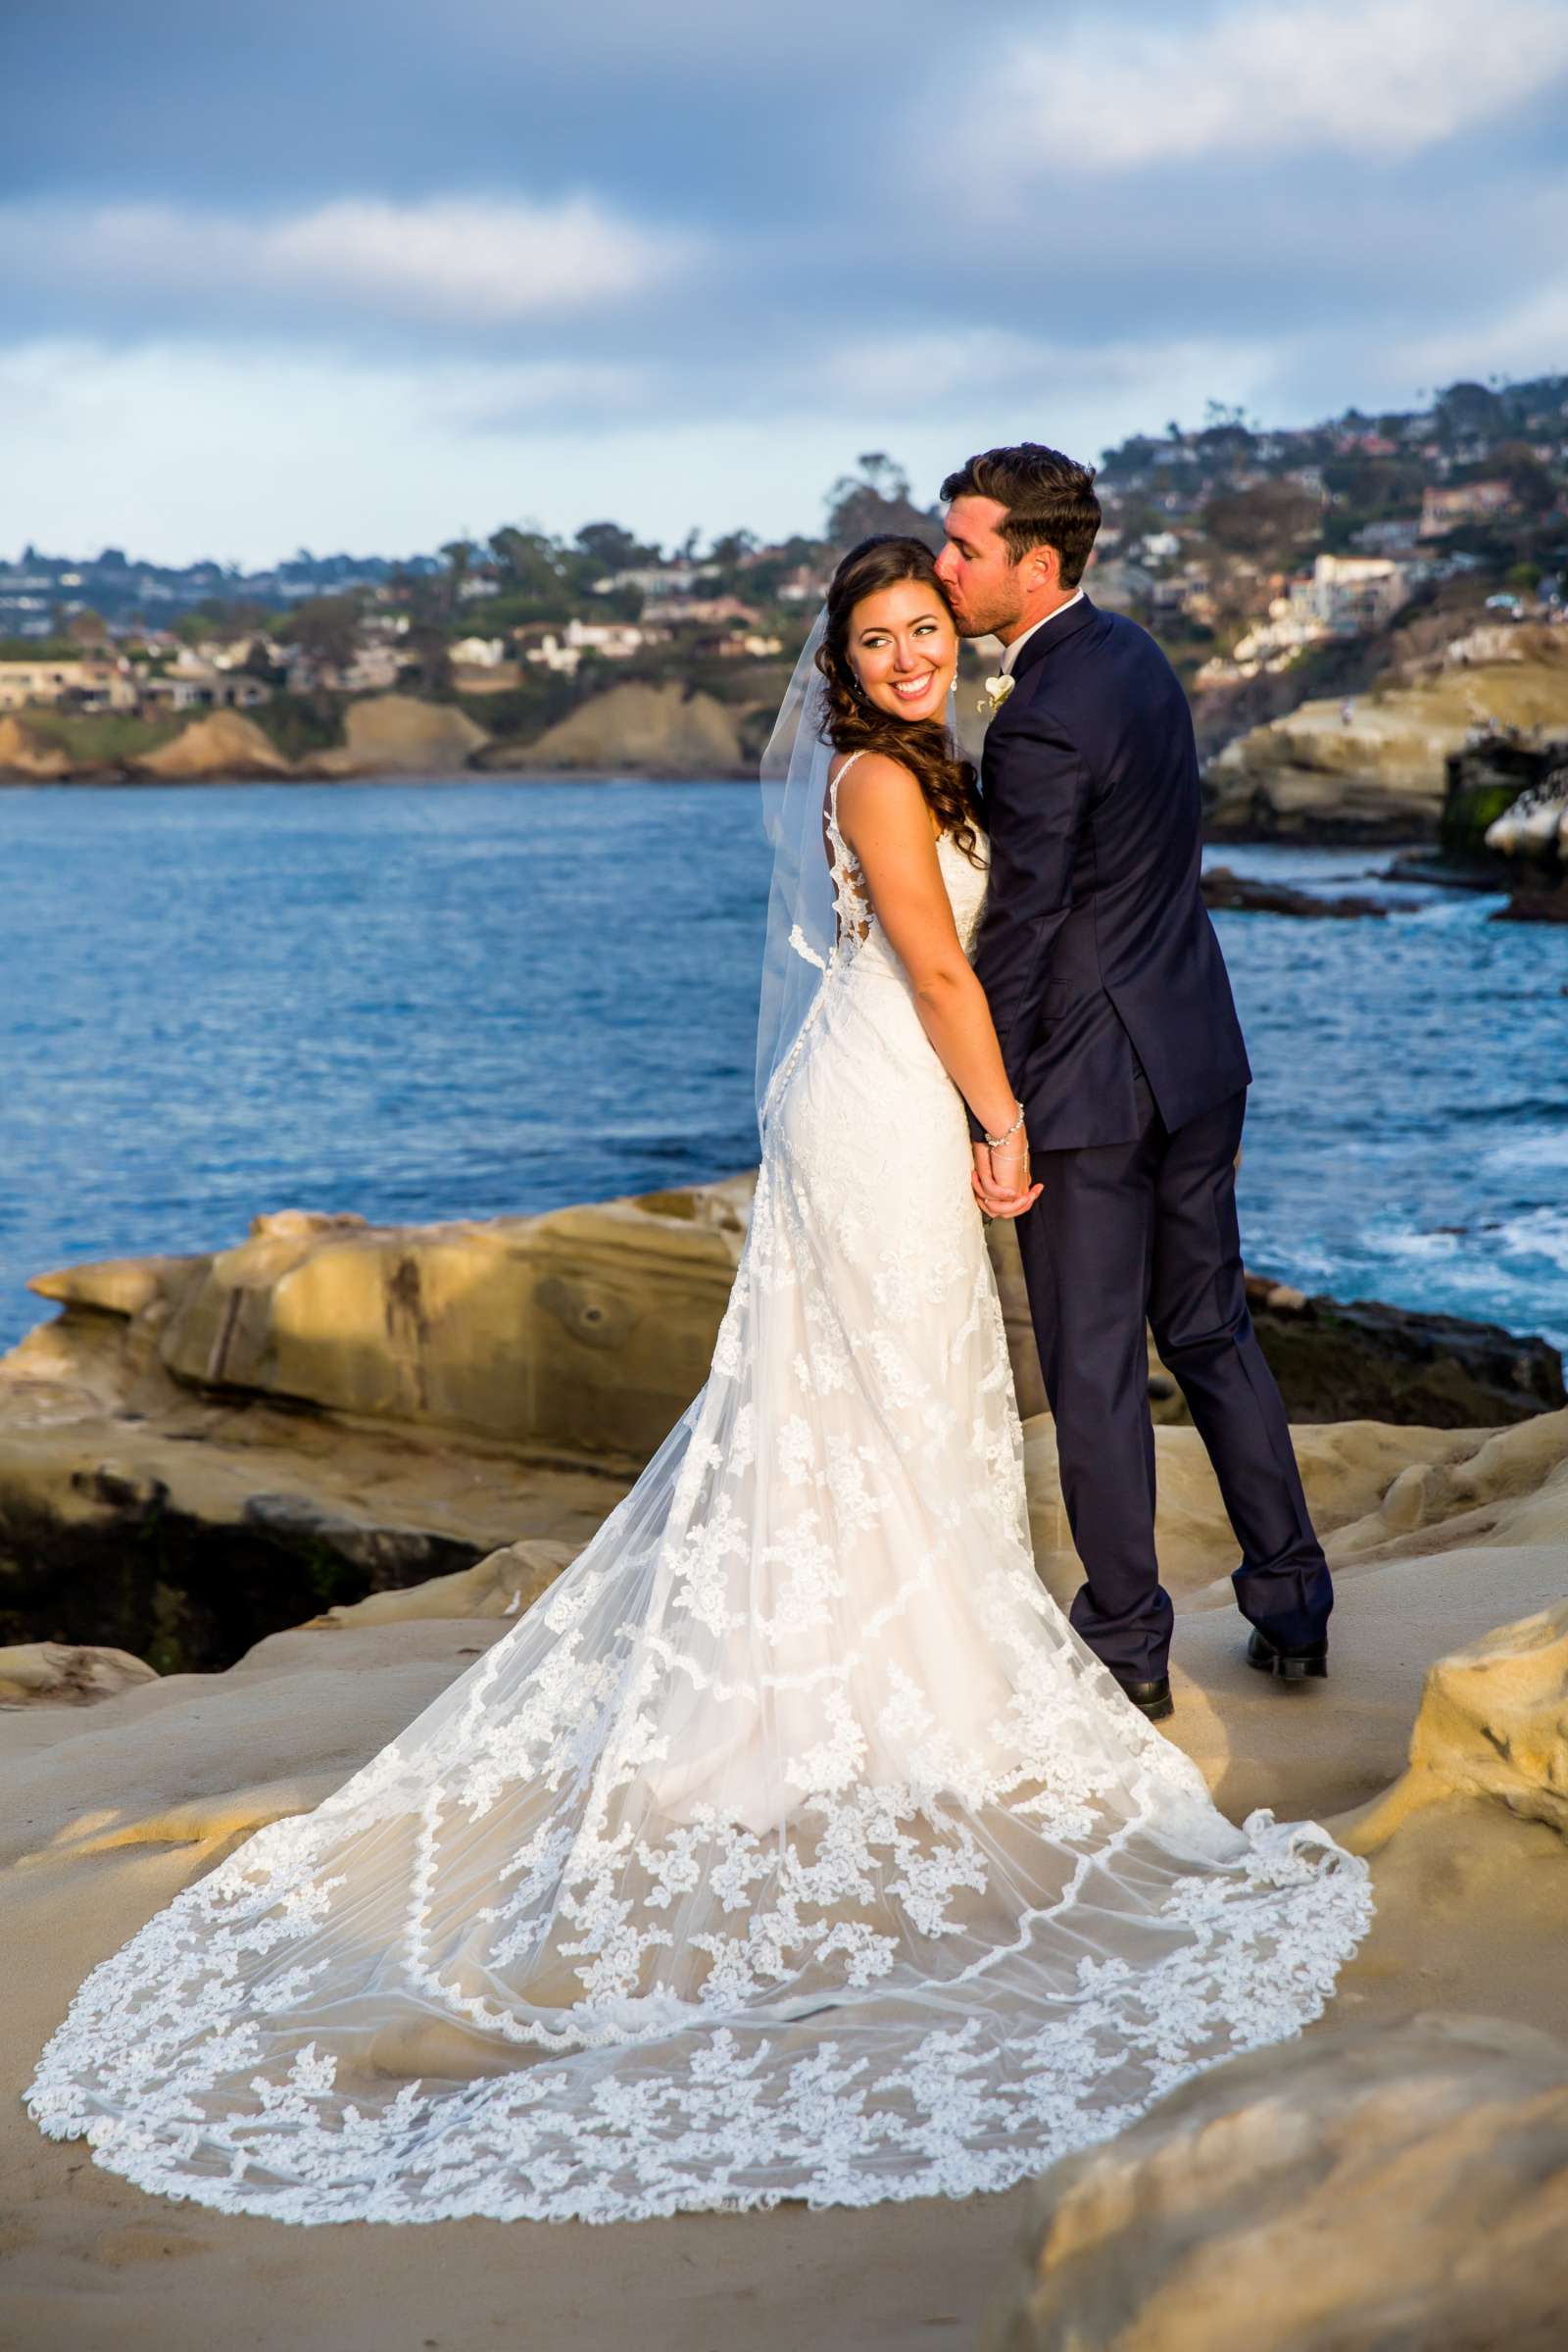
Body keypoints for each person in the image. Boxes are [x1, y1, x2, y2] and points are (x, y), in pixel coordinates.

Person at [27, 536, 1369, 2228]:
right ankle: (853, 1682)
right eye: (880, 639)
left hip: (888, 1098)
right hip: (884, 1105)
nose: (910, 659)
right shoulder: (886, 786)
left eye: (926, 633)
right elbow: (946, 972)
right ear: (839, 660)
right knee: (867, 1389)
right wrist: (1009, 1119)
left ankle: (902, 1634)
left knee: (891, 1391)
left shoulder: (927, 760)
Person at [935, 444, 1337, 1724]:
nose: (947, 568)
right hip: (1197, 1054)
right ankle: (1292, 1599)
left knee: (1098, 1361)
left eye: (964, 548)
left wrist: (983, 1100)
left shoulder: (1044, 707)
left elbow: (1026, 924)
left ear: (1033, 563)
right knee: (1210, 1326)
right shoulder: (1140, 661)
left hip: (1090, 1088)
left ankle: (1126, 1647)